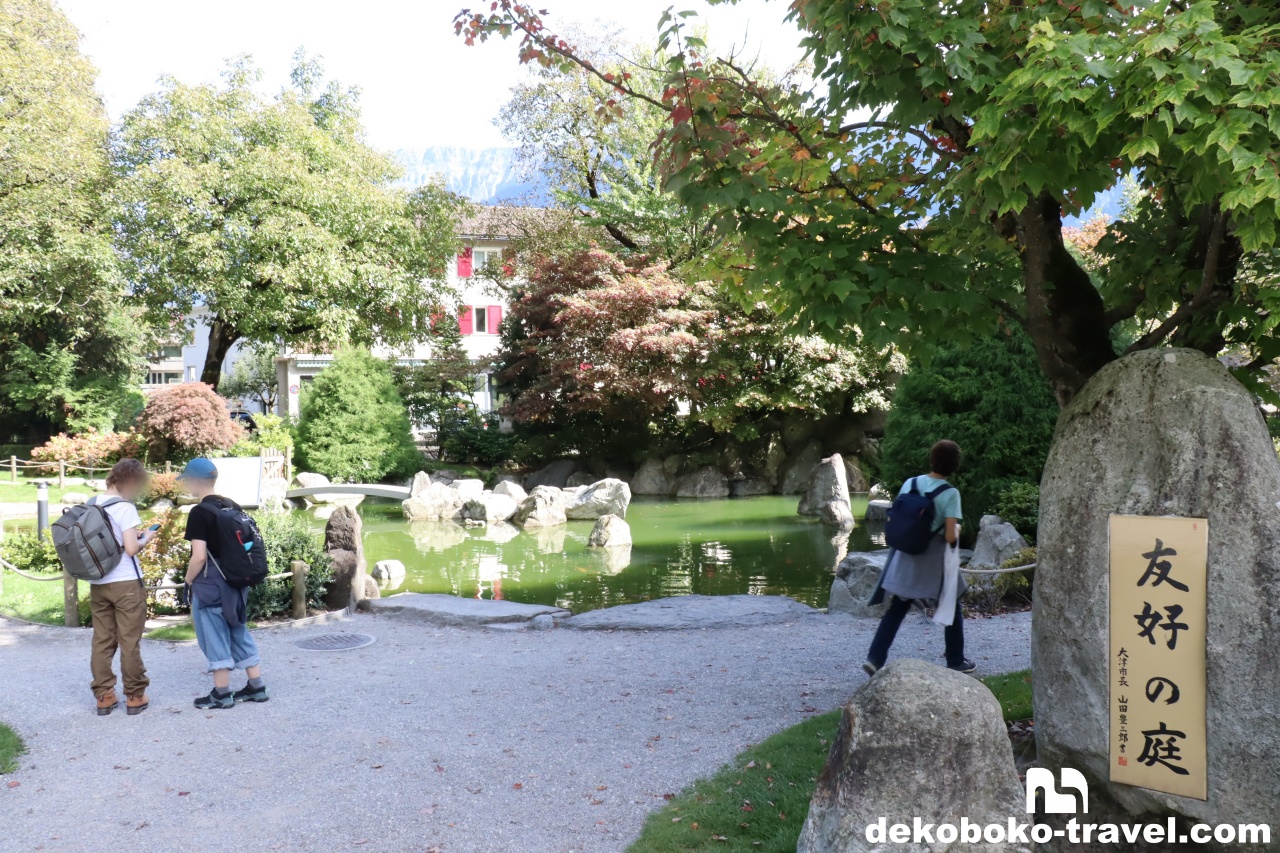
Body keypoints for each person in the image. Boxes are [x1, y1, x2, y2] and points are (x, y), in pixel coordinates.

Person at [863, 439, 975, 676]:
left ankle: (875, 658)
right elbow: (949, 536)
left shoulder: (910, 483)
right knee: (951, 604)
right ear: (954, 466)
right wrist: (956, 532)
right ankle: (955, 660)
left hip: (904, 557)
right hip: (931, 561)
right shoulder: (950, 493)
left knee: (897, 609)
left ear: (932, 459)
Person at [178, 457, 269, 709]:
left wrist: (187, 581)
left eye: (186, 480)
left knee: (214, 632)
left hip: (211, 584)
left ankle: (221, 693)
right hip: (237, 581)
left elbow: (198, 556)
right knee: (238, 628)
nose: (186, 485)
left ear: (196, 481)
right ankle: (256, 686)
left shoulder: (199, 513)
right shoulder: (231, 505)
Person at [88, 458, 157, 716]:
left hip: (98, 582)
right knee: (129, 642)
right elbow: (130, 548)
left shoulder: (91, 503)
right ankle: (135, 696)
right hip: (126, 583)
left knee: (102, 641)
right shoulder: (125, 507)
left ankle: (104, 696)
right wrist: (146, 537)